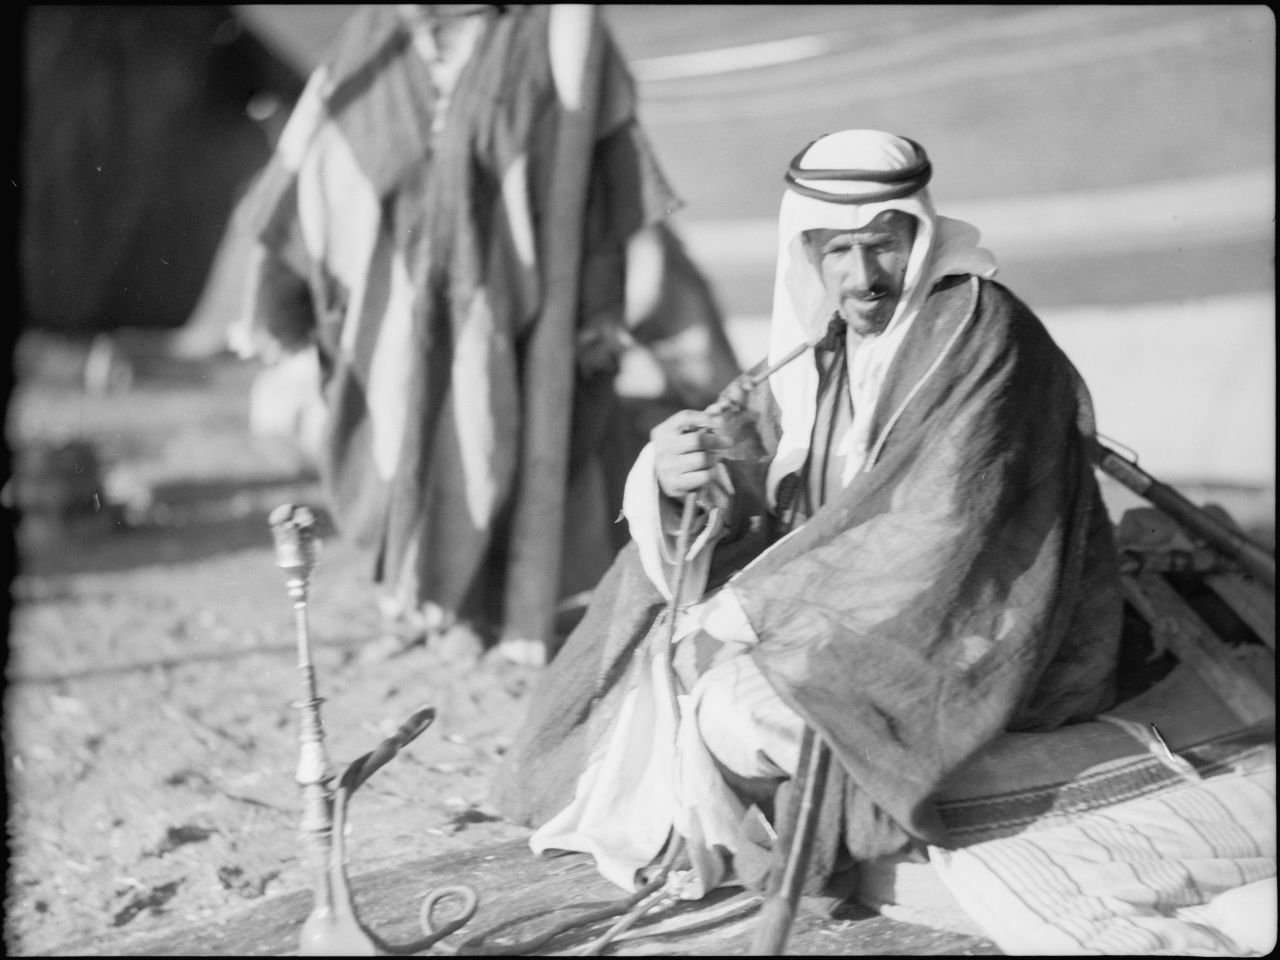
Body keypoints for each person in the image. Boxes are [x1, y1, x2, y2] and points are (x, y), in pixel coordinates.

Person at [491, 129, 1124, 900]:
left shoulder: (979, 332)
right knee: (641, 653)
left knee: (729, 710)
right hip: (833, 609)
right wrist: (673, 473)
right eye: (837, 251)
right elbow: (754, 479)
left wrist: (748, 620)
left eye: (884, 244)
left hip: (970, 621)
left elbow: (943, 535)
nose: (863, 276)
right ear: (808, 252)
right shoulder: (822, 340)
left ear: (919, 234)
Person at [229, 5, 737, 664]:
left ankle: (490, 610)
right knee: (392, 447)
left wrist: (598, 303)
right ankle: (416, 604)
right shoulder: (371, 38)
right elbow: (311, 163)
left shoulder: (555, 34)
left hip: (518, 308)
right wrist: (280, 291)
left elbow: (607, 170)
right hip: (389, 307)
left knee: (497, 445)